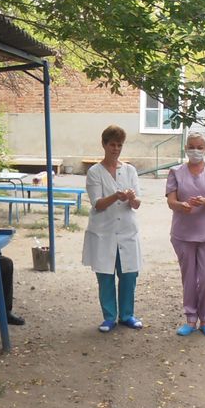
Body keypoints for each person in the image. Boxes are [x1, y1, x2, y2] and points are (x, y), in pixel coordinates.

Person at [82, 125, 143, 332]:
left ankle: (127, 315)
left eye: (119, 145)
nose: (116, 149)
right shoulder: (94, 172)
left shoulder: (129, 170)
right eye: (112, 145)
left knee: (129, 274)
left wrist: (132, 198)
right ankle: (109, 317)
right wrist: (116, 196)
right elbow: (97, 203)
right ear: (104, 144)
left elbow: (137, 204)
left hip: (126, 230)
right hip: (103, 231)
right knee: (105, 275)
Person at [166, 132, 205, 336]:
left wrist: (203, 201)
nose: (195, 151)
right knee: (189, 278)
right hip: (183, 234)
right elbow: (171, 201)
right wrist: (180, 205)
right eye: (191, 146)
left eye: (200, 147)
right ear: (186, 148)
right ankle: (190, 319)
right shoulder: (176, 172)